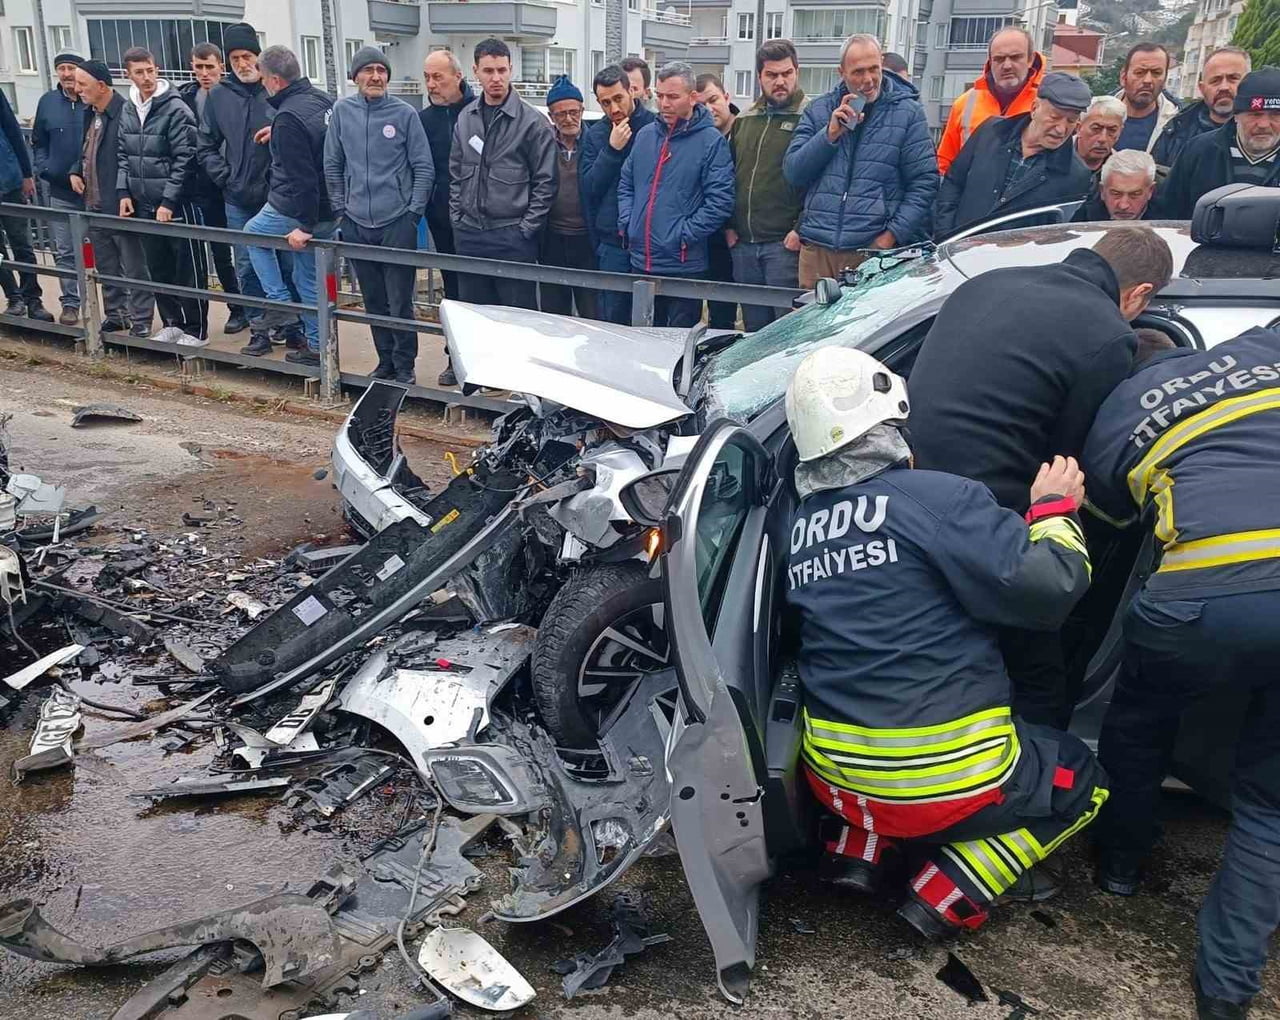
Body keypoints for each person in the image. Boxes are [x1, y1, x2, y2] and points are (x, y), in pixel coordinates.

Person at [783, 345, 1107, 940]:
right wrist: (1056, 510)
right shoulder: (940, 498)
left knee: (883, 751)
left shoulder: (797, 527)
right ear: (889, 429)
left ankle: (860, 852)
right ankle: (949, 889)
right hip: (949, 781)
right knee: (1082, 778)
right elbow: (1047, 589)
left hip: (832, 780)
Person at [1082, 324, 1280, 1020]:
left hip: (1197, 601)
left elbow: (1107, 526)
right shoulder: (1264, 356)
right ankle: (1225, 992)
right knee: (1270, 807)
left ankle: (1121, 867)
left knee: (1138, 726)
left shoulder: (1123, 407)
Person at [906, 227, 1175, 727]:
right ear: (1139, 295)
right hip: (988, 519)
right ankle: (1038, 777)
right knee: (1040, 674)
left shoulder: (984, 281)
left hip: (909, 498)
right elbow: (1069, 462)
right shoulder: (1108, 334)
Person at [784, 34, 937, 287]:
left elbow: (925, 183)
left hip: (870, 251)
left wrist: (889, 237)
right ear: (841, 72)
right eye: (858, 72)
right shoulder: (819, 110)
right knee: (811, 326)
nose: (868, 80)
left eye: (874, 69)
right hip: (817, 249)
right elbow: (793, 173)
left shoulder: (908, 113)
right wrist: (829, 135)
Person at [325, 47, 432, 384]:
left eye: (381, 70)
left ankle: (405, 365)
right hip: (356, 221)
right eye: (368, 70)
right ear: (355, 76)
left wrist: (412, 214)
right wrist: (341, 210)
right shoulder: (342, 112)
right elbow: (332, 164)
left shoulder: (404, 114)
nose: (375, 76)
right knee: (373, 299)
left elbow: (423, 168)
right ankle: (384, 361)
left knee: (400, 301)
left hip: (396, 220)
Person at [199, 23, 300, 356]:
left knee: (287, 264)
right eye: (235, 57)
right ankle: (259, 329)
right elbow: (205, 144)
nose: (243, 63)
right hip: (238, 197)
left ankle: (291, 327)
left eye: (248, 56)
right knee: (247, 267)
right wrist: (225, 177)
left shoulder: (275, 90)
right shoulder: (218, 95)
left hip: (278, 197)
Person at [618, 60, 733, 328]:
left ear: (693, 98)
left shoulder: (710, 141)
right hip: (641, 262)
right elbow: (626, 182)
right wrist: (628, 222)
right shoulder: (645, 135)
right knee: (641, 342)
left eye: (672, 96)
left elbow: (720, 202)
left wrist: (682, 235)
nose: (664, 103)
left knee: (677, 347)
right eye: (660, 96)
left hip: (683, 265)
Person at [243, 45, 336, 368]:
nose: (263, 84)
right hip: (331, 206)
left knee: (253, 235)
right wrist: (280, 133)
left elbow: (303, 179)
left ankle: (279, 302)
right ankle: (317, 345)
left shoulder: (287, 119)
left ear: (277, 81)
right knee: (308, 278)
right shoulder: (322, 100)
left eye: (264, 78)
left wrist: (305, 227)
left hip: (298, 209)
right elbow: (320, 145)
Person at [449, 37, 556, 311]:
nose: (496, 78)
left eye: (502, 70)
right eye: (488, 71)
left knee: (517, 324)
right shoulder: (466, 118)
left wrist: (525, 230)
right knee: (475, 322)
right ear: (476, 71)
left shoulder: (533, 123)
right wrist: (458, 219)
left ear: (511, 69)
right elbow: (456, 172)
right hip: (470, 235)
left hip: (512, 237)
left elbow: (545, 183)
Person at [117, 46, 208, 346]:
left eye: (150, 70)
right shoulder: (129, 108)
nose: (146, 78)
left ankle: (196, 329)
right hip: (144, 200)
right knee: (158, 266)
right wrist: (123, 191)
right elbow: (123, 152)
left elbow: (186, 157)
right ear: (128, 75)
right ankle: (172, 322)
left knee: (188, 266)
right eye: (139, 72)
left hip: (177, 202)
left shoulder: (175, 108)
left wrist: (169, 200)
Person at [934, 71, 1094, 240]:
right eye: (1054, 117)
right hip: (956, 253)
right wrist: (945, 237)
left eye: (1071, 121)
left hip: (1012, 264)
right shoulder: (990, 132)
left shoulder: (1076, 175)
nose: (1061, 129)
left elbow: (1060, 237)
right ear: (1034, 109)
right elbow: (953, 183)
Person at [726, 39, 807, 332]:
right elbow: (727, 175)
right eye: (772, 75)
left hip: (784, 246)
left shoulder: (810, 118)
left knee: (785, 335)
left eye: (787, 73)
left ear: (797, 72)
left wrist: (800, 229)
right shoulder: (744, 120)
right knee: (752, 334)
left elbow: (822, 182)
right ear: (760, 77)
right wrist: (728, 226)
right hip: (743, 246)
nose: (780, 81)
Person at [69, 60, 153, 338]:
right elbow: (84, 149)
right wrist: (74, 170)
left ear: (102, 86)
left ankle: (141, 318)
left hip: (120, 203)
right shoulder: (89, 113)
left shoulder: (125, 113)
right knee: (106, 265)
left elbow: (130, 159)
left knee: (134, 264)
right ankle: (116, 314)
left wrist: (123, 193)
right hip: (93, 202)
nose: (77, 89)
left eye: (83, 84)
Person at [179, 42, 248, 334]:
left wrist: (225, 176)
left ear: (221, 66)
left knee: (230, 252)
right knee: (199, 252)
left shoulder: (233, 96)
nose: (205, 73)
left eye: (210, 66)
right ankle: (206, 313)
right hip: (197, 186)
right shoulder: (185, 97)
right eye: (199, 67)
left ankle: (240, 307)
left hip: (226, 185)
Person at [579, 64, 656, 325]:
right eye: (605, 102)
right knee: (612, 320)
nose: (613, 108)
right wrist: (611, 151)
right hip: (612, 244)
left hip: (650, 243)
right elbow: (589, 188)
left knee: (650, 321)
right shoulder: (597, 134)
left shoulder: (654, 127)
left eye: (618, 98)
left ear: (631, 91)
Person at [1157, 67, 1280, 219]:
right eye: (1255, 114)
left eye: (1276, 114)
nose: (1263, 124)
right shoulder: (1199, 151)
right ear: (1236, 115)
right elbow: (1167, 212)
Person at [937, 27, 1045, 176]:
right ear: (990, 61)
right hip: (970, 196)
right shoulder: (965, 103)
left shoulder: (1046, 103)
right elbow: (944, 162)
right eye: (999, 59)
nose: (1007, 65)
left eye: (1015, 57)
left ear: (1030, 59)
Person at [32, 51, 86, 325]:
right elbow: (38, 142)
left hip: (94, 193)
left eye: (71, 68)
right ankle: (71, 303)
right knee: (65, 252)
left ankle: (117, 309)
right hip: (60, 192)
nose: (66, 73)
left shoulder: (92, 101)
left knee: (108, 252)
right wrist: (46, 170)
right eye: (61, 68)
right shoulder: (48, 102)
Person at [539, 75, 596, 320]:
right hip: (552, 239)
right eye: (561, 114)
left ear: (582, 110)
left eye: (573, 111)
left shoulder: (596, 140)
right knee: (554, 315)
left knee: (593, 312)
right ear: (551, 117)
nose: (568, 119)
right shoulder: (542, 144)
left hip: (588, 240)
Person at [1153, 47, 1252, 171]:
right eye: (1215, 80)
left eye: (1233, 78)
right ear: (1202, 88)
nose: (1224, 87)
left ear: (1250, 82)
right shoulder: (1176, 131)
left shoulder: (1269, 131)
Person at [0, 88, 51, 322]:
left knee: (22, 244)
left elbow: (12, 130)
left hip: (8, 180)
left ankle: (33, 299)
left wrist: (26, 174)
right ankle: (13, 296)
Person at [693, 72, 738, 330]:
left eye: (713, 100)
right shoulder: (697, 139)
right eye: (701, 106)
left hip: (733, 236)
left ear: (726, 97)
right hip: (701, 233)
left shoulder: (745, 132)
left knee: (724, 312)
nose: (709, 109)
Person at [1115, 43, 1179, 155]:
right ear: (1123, 77)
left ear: (1165, 79)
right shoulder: (1093, 116)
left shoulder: (1178, 126)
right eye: (1140, 72)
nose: (1148, 80)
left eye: (1156, 73)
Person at [1072, 150, 1157, 221]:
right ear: (1102, 190)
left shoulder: (1167, 219)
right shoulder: (1085, 218)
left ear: (1150, 191)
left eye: (1134, 194)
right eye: (1116, 194)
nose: (1123, 205)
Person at [1075, 96, 1127, 177]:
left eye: (1112, 130)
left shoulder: (1122, 172)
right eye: (1096, 129)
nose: (1102, 139)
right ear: (1078, 128)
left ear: (1120, 132)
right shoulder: (1052, 157)